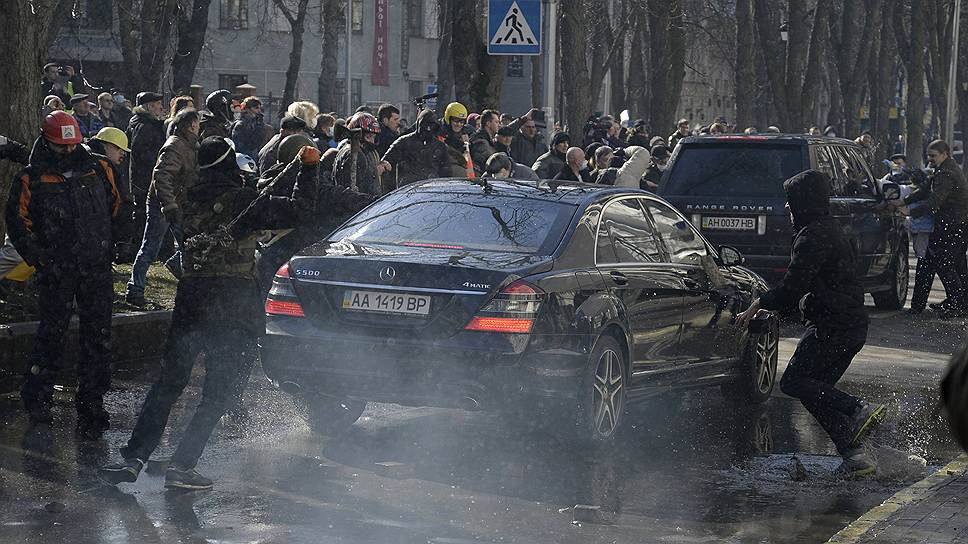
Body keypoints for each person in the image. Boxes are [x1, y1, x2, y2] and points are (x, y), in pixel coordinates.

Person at [99, 137, 322, 490]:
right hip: (233, 303)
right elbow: (300, 210)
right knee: (217, 392)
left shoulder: (186, 200)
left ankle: (134, 457)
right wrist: (308, 169)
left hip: (192, 299)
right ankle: (183, 465)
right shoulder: (243, 201)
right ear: (229, 164)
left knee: (168, 384)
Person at [737, 170, 883, 478]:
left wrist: (760, 303)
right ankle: (856, 456)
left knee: (792, 382)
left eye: (790, 201)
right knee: (814, 390)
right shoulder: (830, 229)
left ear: (802, 202)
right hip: (849, 324)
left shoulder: (812, 236)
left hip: (834, 326)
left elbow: (793, 287)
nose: (787, 208)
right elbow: (817, 284)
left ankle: (858, 409)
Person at [4, 111, 126, 435]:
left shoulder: (100, 168)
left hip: (96, 267)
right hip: (58, 271)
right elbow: (18, 224)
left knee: (98, 338)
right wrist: (41, 261)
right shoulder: (32, 178)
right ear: (47, 142)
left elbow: (120, 207)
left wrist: (116, 244)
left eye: (72, 145)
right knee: (51, 337)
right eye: (61, 147)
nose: (67, 152)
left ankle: (92, 404)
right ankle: (38, 401)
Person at [125, 108, 200, 306]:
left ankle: (180, 274)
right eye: (197, 124)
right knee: (150, 247)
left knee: (187, 246)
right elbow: (162, 176)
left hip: (176, 202)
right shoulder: (175, 146)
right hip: (163, 205)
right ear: (192, 124)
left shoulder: (189, 146)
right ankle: (135, 289)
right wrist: (170, 205)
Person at [890, 140, 968, 318]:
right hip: (955, 226)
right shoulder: (945, 169)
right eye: (929, 156)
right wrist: (903, 201)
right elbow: (926, 190)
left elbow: (934, 201)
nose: (930, 159)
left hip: (951, 226)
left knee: (944, 265)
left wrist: (909, 210)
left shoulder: (947, 173)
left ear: (944, 154)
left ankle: (956, 305)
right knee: (953, 265)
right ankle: (958, 303)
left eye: (933, 156)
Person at [124, 91, 166, 263]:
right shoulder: (145, 126)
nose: (160, 107)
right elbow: (142, 153)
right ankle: (141, 249)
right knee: (143, 214)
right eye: (157, 104)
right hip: (145, 178)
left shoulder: (141, 123)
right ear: (149, 106)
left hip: (143, 177)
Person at [382, 109, 447, 186]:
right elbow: (386, 161)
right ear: (419, 124)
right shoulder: (404, 142)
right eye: (426, 125)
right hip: (408, 190)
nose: (428, 129)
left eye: (431, 126)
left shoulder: (440, 146)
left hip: (432, 190)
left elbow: (446, 173)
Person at [333, 112, 390, 195]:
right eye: (368, 136)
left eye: (373, 137)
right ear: (358, 135)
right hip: (358, 204)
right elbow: (354, 187)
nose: (372, 141)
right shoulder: (353, 154)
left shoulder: (368, 152)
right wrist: (375, 173)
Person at [438, 102, 475, 178]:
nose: (459, 124)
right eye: (456, 120)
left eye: (462, 121)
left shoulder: (468, 132)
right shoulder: (438, 131)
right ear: (448, 118)